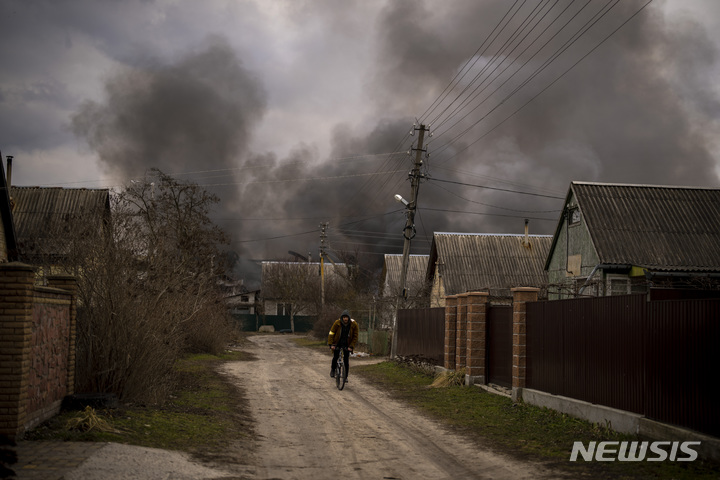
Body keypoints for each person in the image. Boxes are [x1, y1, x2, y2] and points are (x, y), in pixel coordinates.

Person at [327, 310, 359, 380]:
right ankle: (333, 370)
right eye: (344, 317)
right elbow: (331, 333)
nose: (345, 319)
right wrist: (331, 344)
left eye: (346, 317)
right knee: (335, 357)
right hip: (337, 343)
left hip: (347, 344)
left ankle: (345, 376)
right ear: (342, 318)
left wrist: (351, 346)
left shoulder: (354, 324)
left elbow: (355, 336)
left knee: (346, 360)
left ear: (349, 318)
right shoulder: (337, 323)